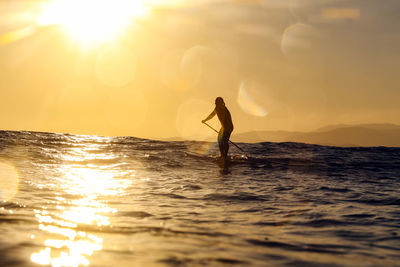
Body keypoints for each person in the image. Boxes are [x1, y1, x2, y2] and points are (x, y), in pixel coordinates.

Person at [202, 97, 234, 162]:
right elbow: (212, 115)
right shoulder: (216, 108)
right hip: (223, 127)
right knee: (219, 141)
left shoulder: (224, 108)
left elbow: (227, 119)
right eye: (217, 102)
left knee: (224, 141)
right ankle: (222, 155)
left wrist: (226, 129)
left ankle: (225, 156)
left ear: (222, 102)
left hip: (229, 127)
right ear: (216, 103)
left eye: (220, 102)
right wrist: (205, 120)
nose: (219, 103)